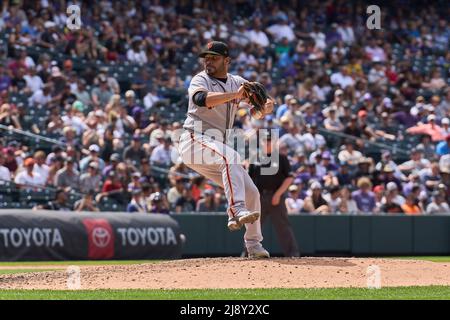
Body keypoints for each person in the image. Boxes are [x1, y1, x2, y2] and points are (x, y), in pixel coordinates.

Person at [177, 41, 273, 259]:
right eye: (206, 57)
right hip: (194, 140)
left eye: (214, 57)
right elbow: (201, 100)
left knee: (252, 192)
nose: (208, 61)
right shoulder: (200, 79)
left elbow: (262, 104)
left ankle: (254, 245)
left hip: (215, 148)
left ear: (227, 60)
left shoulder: (237, 82)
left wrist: (266, 105)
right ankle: (235, 211)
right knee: (231, 156)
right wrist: (236, 96)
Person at [249, 134, 300, 257]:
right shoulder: (255, 159)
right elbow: (249, 180)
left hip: (275, 196)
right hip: (259, 197)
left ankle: (292, 254)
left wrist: (277, 194)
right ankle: (249, 253)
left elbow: (289, 178)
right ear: (261, 143)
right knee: (253, 228)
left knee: (283, 227)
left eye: (269, 141)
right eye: (265, 141)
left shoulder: (281, 158)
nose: (267, 143)